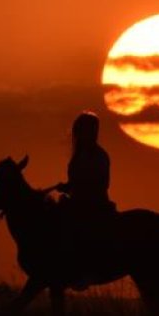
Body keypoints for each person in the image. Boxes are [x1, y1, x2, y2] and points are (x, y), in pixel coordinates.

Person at [53, 111, 116, 288]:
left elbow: (102, 184)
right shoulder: (79, 156)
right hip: (78, 202)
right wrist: (67, 186)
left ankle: (85, 271)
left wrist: (75, 187)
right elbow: (77, 181)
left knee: (81, 231)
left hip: (94, 204)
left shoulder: (99, 156)